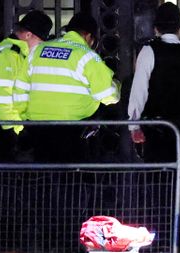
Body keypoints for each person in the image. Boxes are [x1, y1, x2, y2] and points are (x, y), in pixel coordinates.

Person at [127, 2, 180, 251]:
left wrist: (134, 126)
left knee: (157, 191)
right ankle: (177, 243)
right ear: (178, 29)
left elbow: (139, 93)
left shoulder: (148, 52)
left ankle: (160, 243)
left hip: (156, 133)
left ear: (156, 28)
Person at [14, 12, 120, 163]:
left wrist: (22, 124)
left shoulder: (37, 51)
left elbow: (19, 89)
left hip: (37, 129)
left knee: (44, 178)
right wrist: (116, 87)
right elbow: (108, 96)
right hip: (72, 131)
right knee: (71, 181)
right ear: (89, 37)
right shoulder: (87, 56)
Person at [0, 10, 53, 163]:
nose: (40, 46)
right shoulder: (8, 56)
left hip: (1, 125)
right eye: (40, 41)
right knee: (0, 180)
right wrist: (18, 131)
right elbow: (3, 99)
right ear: (28, 35)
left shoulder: (16, 54)